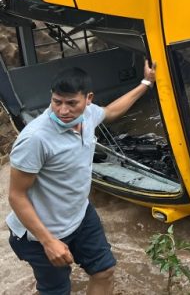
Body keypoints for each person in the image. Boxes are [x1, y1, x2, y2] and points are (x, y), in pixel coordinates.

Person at [7, 61, 157, 295]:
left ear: (88, 99)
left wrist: (146, 83)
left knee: (104, 272)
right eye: (57, 102)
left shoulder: (87, 116)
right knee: (56, 291)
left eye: (71, 103)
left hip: (81, 216)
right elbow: (16, 195)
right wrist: (48, 241)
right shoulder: (35, 139)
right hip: (41, 233)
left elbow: (110, 111)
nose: (63, 111)